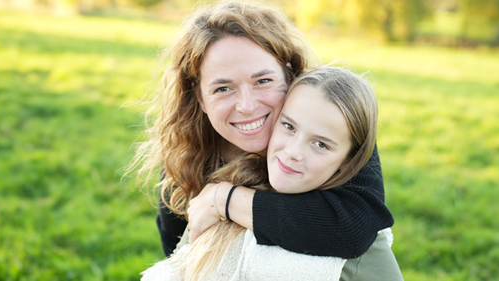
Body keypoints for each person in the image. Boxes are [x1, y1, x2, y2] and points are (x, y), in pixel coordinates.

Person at [128, 0, 393, 267]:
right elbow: (178, 254)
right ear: (199, 98)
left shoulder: (328, 118)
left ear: (288, 75)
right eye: (223, 89)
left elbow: (353, 227)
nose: (247, 106)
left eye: (263, 81)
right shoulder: (186, 152)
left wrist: (225, 200)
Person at [141, 67, 402, 281]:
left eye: (321, 144)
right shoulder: (217, 196)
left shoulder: (357, 243)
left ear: (349, 163)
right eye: (288, 126)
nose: (293, 152)